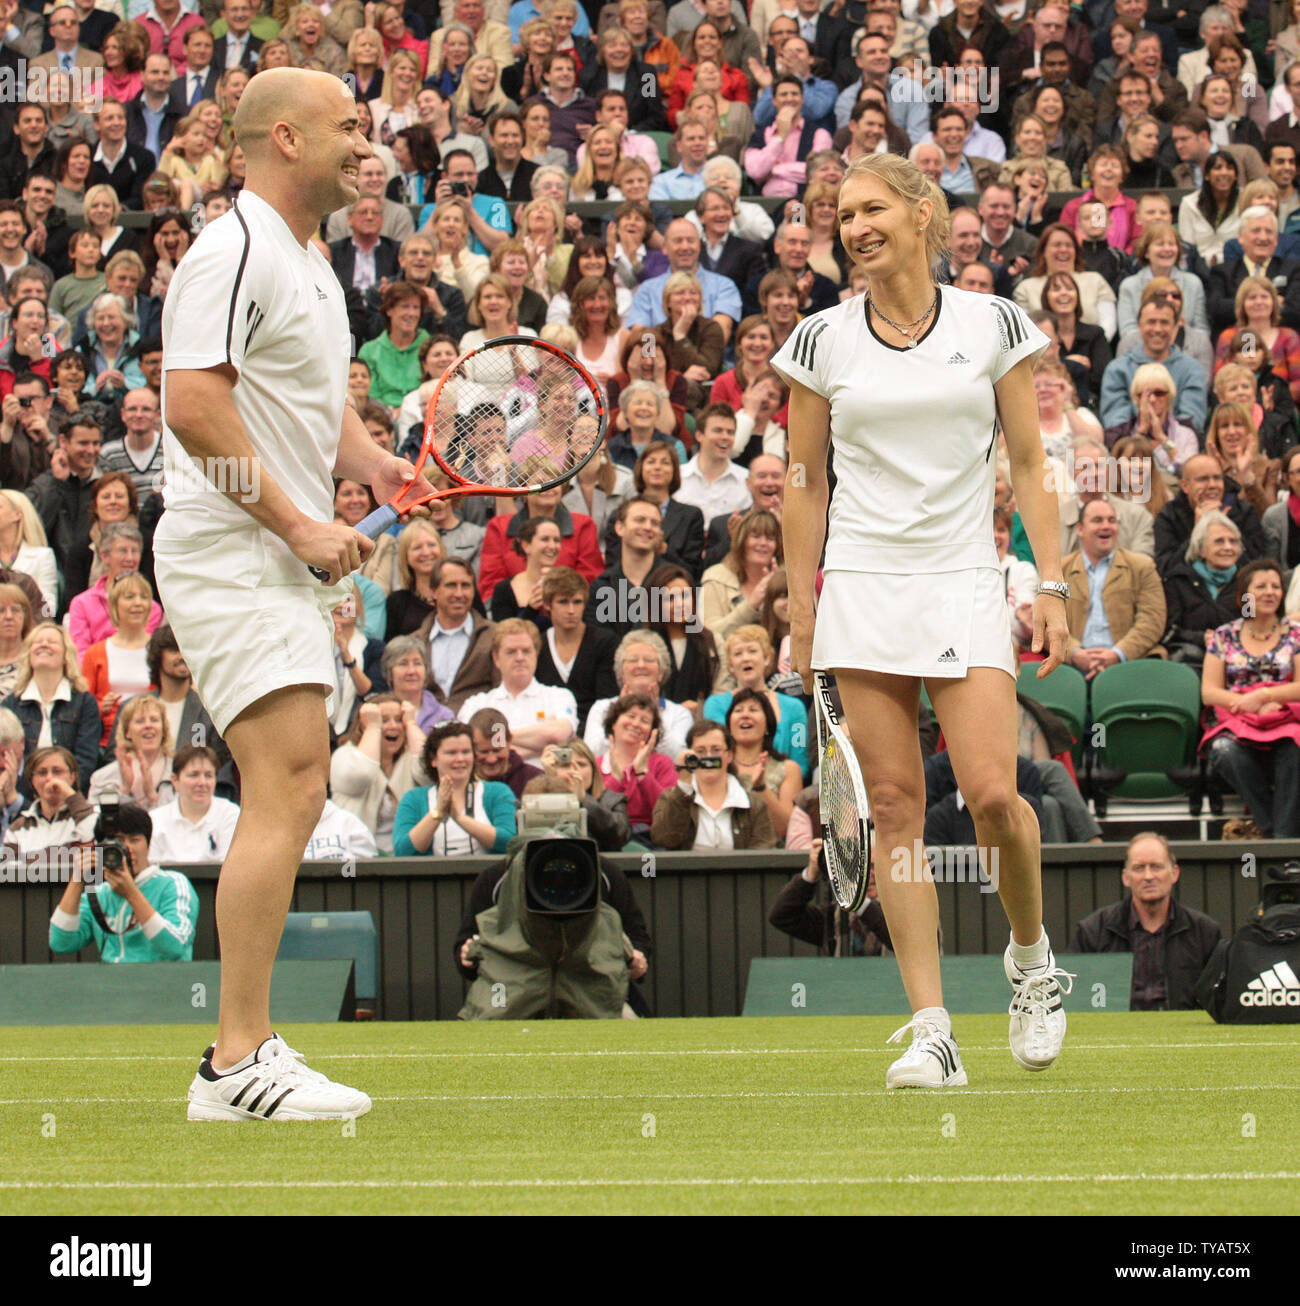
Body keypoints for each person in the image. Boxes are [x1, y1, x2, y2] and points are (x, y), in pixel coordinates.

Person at [157, 69, 433, 1121]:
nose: (367, 145)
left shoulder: (311, 258)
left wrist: (377, 471)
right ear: (284, 137)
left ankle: (246, 1048)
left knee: (300, 782)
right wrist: (301, 525)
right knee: (288, 781)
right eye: (348, 128)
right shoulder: (229, 249)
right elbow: (191, 407)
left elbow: (312, 414)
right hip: (230, 549)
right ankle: (235, 1061)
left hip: (272, 552)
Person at [774, 153, 1073, 1090]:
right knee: (895, 807)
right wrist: (799, 608)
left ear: (919, 213)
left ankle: (1030, 962)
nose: (853, 226)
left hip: (962, 580)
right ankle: (934, 1029)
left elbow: (1028, 462)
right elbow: (803, 480)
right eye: (841, 214)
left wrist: (1054, 583)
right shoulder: (821, 339)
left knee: (993, 796)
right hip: (862, 585)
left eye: (870, 209)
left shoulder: (993, 323)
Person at [1199, 559, 1300, 837]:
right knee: (1223, 751)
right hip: (1238, 719)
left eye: (1276, 586)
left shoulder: (1295, 635)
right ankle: (1275, 831)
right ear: (1244, 595)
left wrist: (1268, 695)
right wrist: (1246, 704)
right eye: (1261, 586)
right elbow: (1209, 691)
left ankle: (1280, 841)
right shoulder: (1224, 635)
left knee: (1295, 749)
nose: (1270, 592)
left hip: (1284, 718)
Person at [1071, 833, 1223, 1009]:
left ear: (1174, 873)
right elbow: (1075, 996)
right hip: (1116, 1032)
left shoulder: (1205, 932)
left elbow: (1218, 999)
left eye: (1157, 867)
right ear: (1126, 877)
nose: (1148, 876)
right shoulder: (1093, 931)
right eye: (1139, 868)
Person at [1060, 498, 1168, 679]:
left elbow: (1152, 621)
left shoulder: (1142, 567)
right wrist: (1075, 653)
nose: (1106, 526)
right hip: (1072, 667)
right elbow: (1048, 622)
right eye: (1097, 520)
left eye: (1112, 520)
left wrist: (1117, 654)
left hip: (1130, 665)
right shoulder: (1060, 569)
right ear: (1080, 529)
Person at [456, 618, 577, 758]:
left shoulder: (559, 696)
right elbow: (472, 751)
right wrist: (542, 746)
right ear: (496, 658)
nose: (520, 658)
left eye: (526, 651)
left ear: (536, 655)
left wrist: (496, 736)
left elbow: (559, 736)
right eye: (511, 652)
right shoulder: (477, 704)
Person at [393, 720, 516, 855]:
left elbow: (510, 842)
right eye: (451, 753)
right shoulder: (413, 798)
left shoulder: (498, 792)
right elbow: (402, 851)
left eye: (466, 752)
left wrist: (460, 818)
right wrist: (438, 812)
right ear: (433, 759)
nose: (460, 759)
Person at [651, 718, 776, 850]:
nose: (708, 757)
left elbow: (761, 855)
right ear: (689, 756)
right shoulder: (672, 797)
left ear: (729, 756)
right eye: (700, 751)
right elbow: (664, 839)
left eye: (716, 750)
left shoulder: (754, 804)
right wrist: (684, 787)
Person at [704, 624, 809, 777]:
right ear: (731, 665)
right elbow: (716, 752)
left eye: (752, 651)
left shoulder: (794, 707)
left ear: (767, 658)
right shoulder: (715, 705)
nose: (746, 658)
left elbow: (801, 763)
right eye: (738, 653)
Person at [329, 694, 425, 853]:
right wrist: (373, 727)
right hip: (357, 860)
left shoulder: (410, 757)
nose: (393, 726)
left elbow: (429, 770)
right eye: (383, 720)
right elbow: (363, 773)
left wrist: (411, 722)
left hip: (407, 863)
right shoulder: (344, 755)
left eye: (398, 719)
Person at [1162, 510, 1247, 666]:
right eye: (1219, 541)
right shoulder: (1178, 581)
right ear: (1201, 549)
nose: (1228, 547)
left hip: (1238, 656)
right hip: (1192, 659)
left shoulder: (1248, 583)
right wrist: (1201, 638)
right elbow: (1170, 630)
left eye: (1233, 541)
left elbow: (1253, 622)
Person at [148, 744, 241, 863]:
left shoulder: (231, 814)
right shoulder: (155, 820)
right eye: (194, 775)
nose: (202, 782)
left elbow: (231, 866)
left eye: (208, 775)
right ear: (175, 780)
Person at [467, 705, 544, 800]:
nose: (491, 759)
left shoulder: (535, 780)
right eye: (484, 752)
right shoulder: (459, 782)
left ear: (509, 741)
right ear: (470, 746)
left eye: (497, 750)